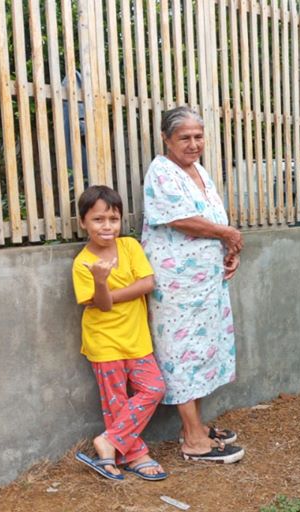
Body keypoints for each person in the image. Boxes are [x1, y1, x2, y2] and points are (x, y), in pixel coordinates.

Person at [142, 106, 245, 464]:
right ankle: (193, 440)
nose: (193, 143)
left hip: (205, 282)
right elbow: (180, 219)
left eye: (198, 136)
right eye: (184, 137)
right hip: (178, 284)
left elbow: (211, 220)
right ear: (166, 139)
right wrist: (227, 234)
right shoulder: (161, 171)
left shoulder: (199, 171)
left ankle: (195, 427)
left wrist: (229, 250)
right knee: (180, 351)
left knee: (201, 350)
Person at [71, 185, 168, 481]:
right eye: (98, 219)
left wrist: (109, 293)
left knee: (154, 388)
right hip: (104, 343)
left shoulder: (129, 247)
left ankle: (109, 441)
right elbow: (101, 305)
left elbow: (147, 283)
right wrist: (100, 281)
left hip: (137, 339)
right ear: (83, 222)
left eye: (113, 219)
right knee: (116, 401)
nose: (107, 226)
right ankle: (134, 455)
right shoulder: (82, 263)